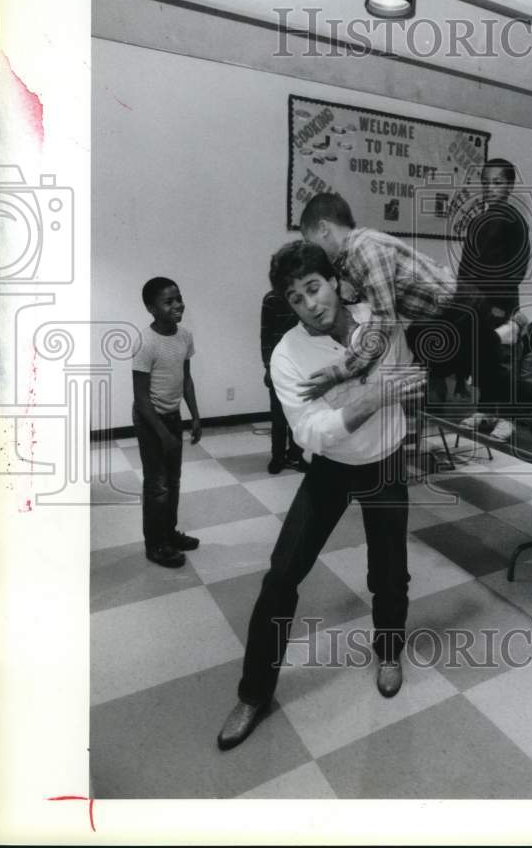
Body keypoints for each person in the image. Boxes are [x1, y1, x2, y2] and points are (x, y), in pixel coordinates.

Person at [217, 242, 425, 752]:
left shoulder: (378, 316)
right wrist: (374, 397)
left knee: (389, 572)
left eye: (313, 288)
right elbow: (310, 433)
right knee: (281, 576)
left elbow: (407, 371)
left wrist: (405, 394)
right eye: (295, 298)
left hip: (385, 461)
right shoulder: (288, 355)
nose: (309, 304)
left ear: (334, 282)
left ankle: (389, 652)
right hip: (330, 469)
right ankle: (254, 693)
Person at [297, 192, 517, 407]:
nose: (311, 248)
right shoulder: (347, 258)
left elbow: (384, 320)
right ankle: (494, 337)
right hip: (440, 312)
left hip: (460, 307)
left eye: (309, 240)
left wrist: (343, 370)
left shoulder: (365, 249)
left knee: (486, 377)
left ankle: (500, 334)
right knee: (420, 346)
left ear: (324, 228)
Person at [132, 277, 202, 569]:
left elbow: (186, 380)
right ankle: (156, 545)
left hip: (173, 418)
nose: (177, 305)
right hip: (150, 421)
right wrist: (162, 434)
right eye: (168, 301)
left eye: (179, 298)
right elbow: (141, 397)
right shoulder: (146, 343)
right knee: (157, 485)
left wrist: (195, 416)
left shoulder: (184, 337)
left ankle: (169, 533)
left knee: (173, 481)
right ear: (151, 308)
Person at [456, 157, 531, 326]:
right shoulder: (477, 221)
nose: (490, 188)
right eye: (485, 183)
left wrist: (496, 306)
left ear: (510, 186)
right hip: (471, 303)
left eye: (497, 183)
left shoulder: (515, 221)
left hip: (499, 307)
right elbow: (465, 268)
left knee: (492, 348)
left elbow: (516, 271)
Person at [260, 289, 307, 474]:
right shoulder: (271, 298)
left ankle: (297, 455)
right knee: (278, 416)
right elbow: (265, 335)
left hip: (302, 364)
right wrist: (268, 367)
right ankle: (277, 457)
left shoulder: (304, 297)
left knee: (299, 414)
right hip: (278, 365)